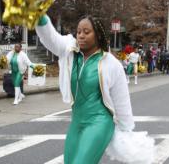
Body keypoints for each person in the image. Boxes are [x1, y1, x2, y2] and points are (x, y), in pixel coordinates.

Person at [35, 15, 154, 164]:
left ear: (97, 35)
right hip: (77, 121)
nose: (81, 35)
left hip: (99, 122)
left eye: (86, 32)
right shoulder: (69, 51)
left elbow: (121, 100)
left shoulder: (111, 64)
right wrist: (39, 16)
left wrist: (126, 131)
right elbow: (50, 38)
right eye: (78, 32)